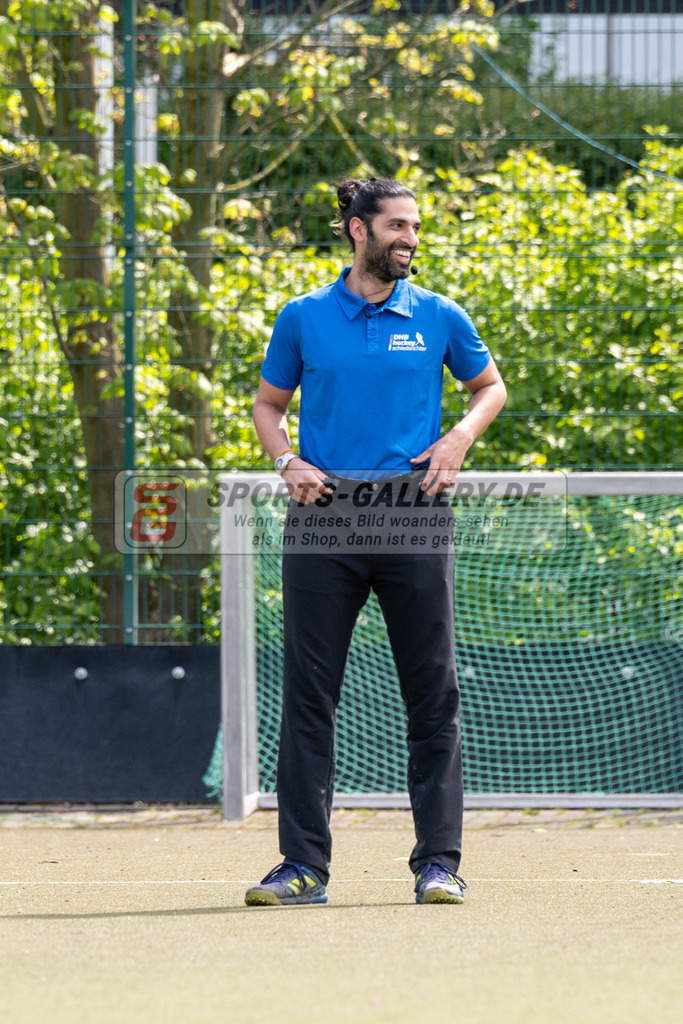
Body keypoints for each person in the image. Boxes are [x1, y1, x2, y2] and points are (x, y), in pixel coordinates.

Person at [245, 177, 506, 907]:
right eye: (397, 226)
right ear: (357, 230)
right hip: (324, 517)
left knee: (432, 695)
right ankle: (301, 868)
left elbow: (490, 387)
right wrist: (285, 460)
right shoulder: (301, 318)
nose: (410, 239)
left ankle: (439, 865)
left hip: (413, 513)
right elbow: (269, 406)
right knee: (308, 697)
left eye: (415, 228)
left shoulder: (439, 315)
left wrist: (456, 439)